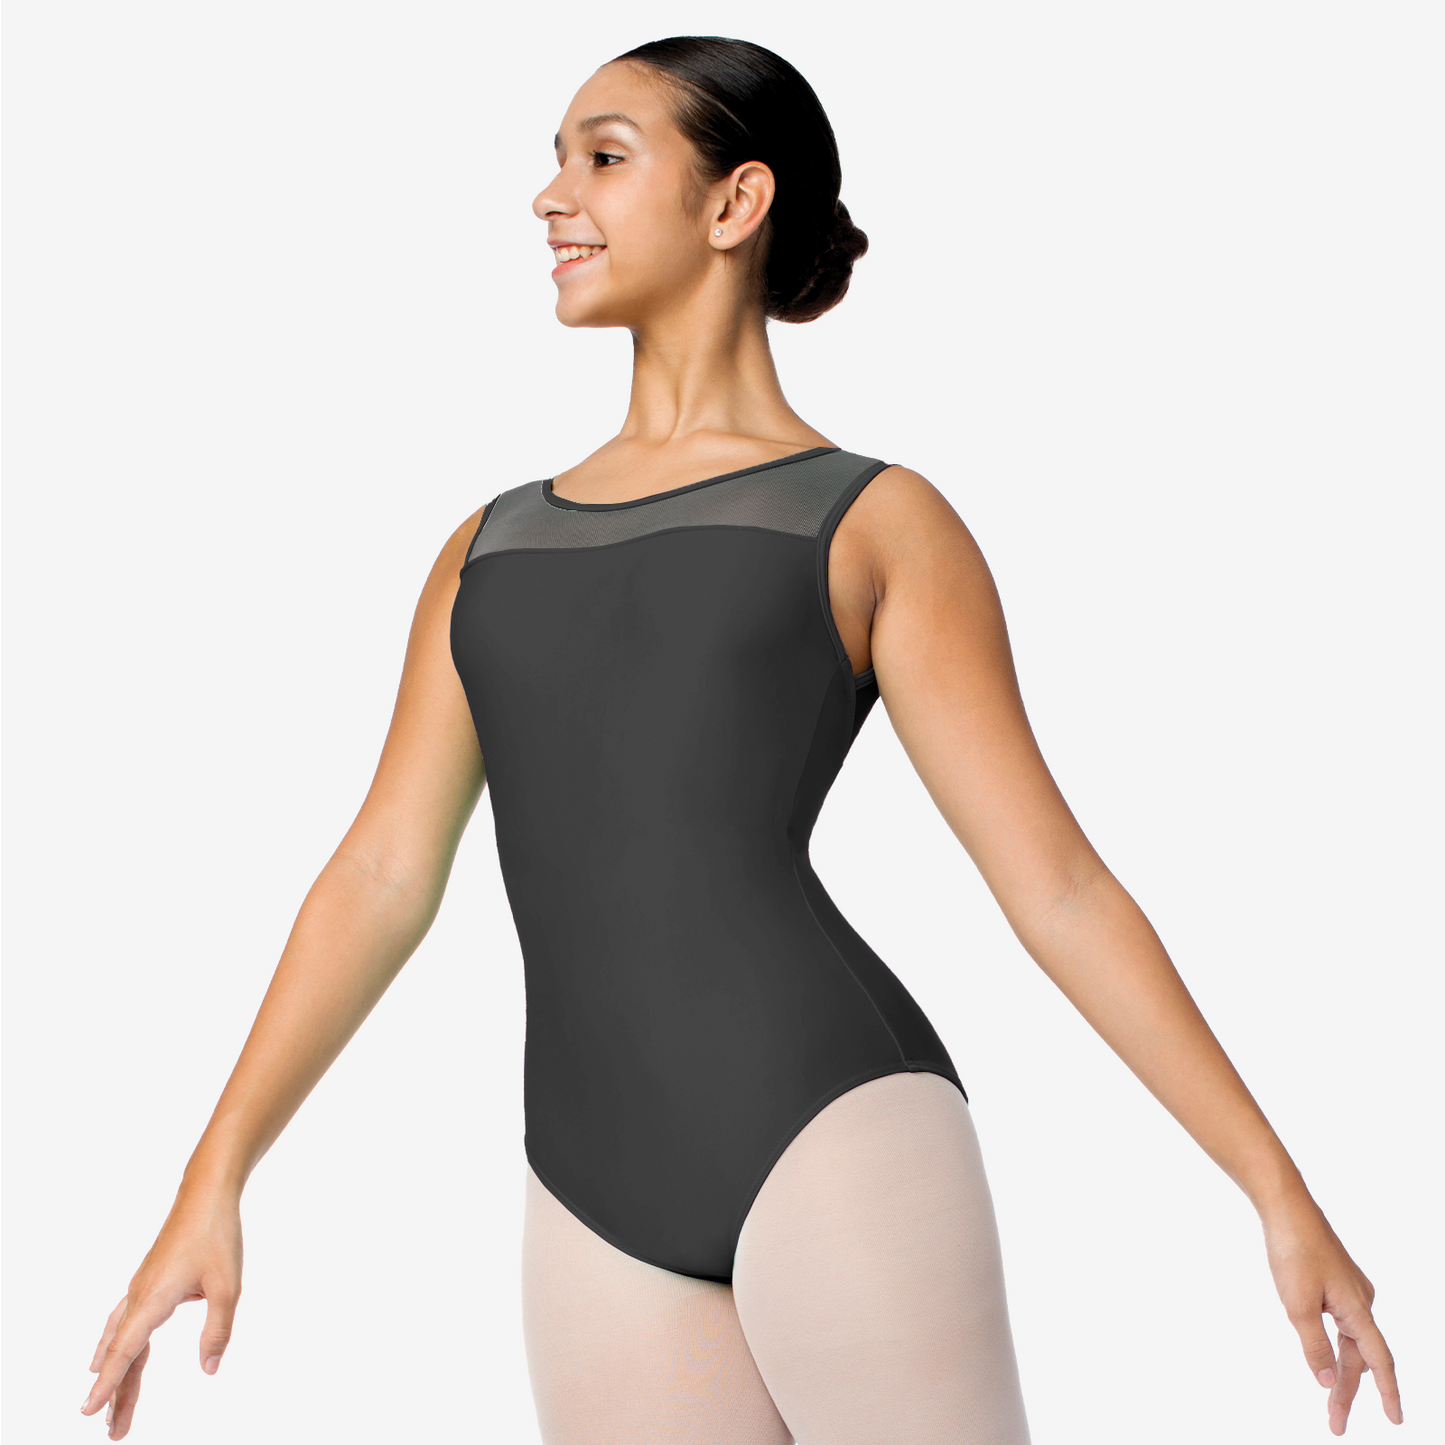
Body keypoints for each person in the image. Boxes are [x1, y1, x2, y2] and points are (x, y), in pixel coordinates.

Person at [81, 35, 1402, 1444]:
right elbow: (381, 875)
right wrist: (214, 1178)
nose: (550, 197)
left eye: (602, 157)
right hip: (589, 1184)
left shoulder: (874, 522)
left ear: (735, 202)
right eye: (553, 161)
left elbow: (1058, 886)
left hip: (831, 1132)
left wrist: (1274, 1187)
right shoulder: (486, 549)